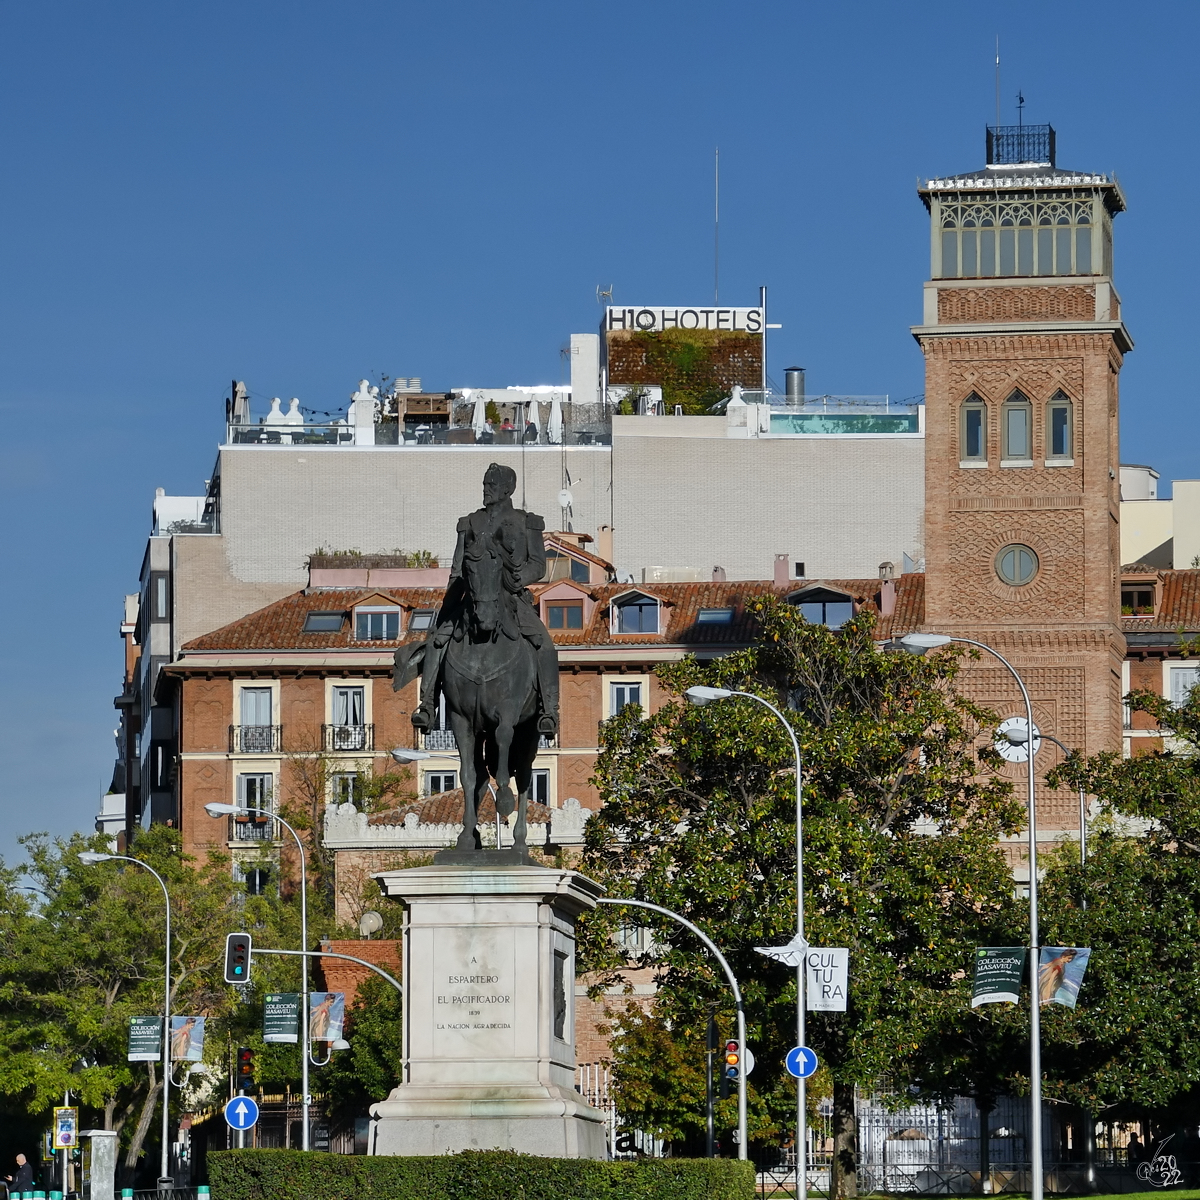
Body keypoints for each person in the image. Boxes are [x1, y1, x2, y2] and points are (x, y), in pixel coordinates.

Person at [411, 462, 559, 738]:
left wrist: (519, 578)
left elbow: (538, 565)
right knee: (436, 642)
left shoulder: (527, 522)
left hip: (512, 599)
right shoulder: (469, 523)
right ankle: (427, 706)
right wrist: (446, 612)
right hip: (472, 600)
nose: (486, 490)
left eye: (492, 486)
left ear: (508, 488)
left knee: (545, 646)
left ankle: (549, 711)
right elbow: (457, 571)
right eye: (485, 485)